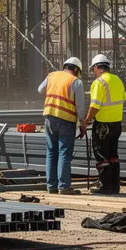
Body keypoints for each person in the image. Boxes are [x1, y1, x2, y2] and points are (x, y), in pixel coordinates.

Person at [78, 54, 126, 195]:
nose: (93, 72)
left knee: (101, 154)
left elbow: (95, 105)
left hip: (103, 125)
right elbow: (123, 98)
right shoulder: (117, 80)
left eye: (93, 69)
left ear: (97, 67)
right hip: (116, 123)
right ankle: (114, 186)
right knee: (113, 155)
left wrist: (86, 121)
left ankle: (106, 187)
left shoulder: (99, 82)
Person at [37, 57, 85, 195]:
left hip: (49, 117)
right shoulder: (76, 81)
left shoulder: (51, 76)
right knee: (64, 152)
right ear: (76, 69)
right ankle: (63, 186)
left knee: (51, 151)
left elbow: (40, 89)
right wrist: (82, 123)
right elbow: (80, 107)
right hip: (66, 120)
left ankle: (51, 186)